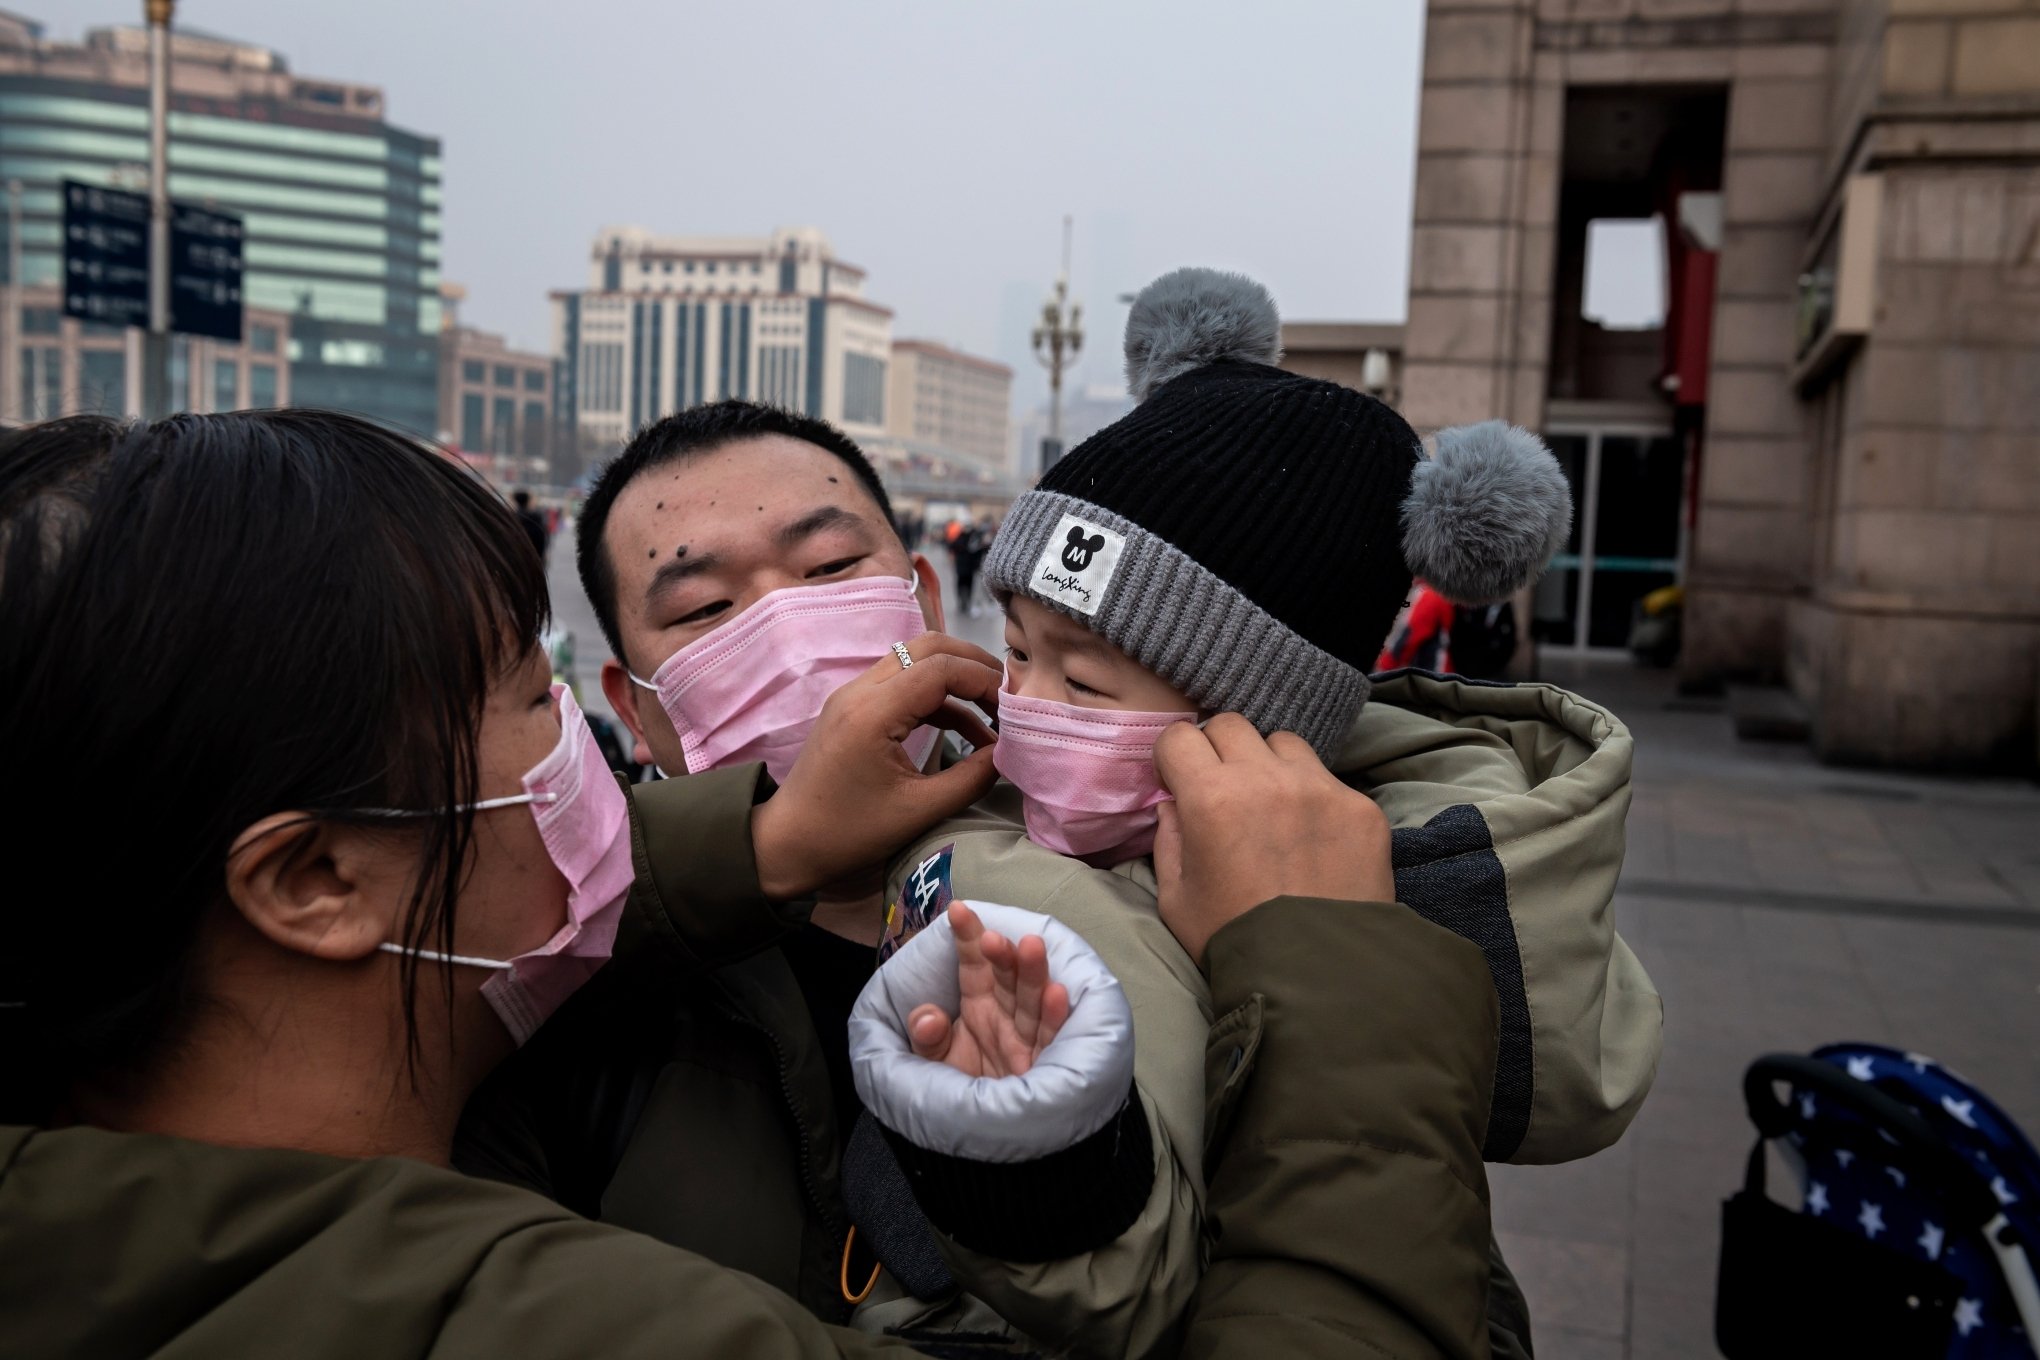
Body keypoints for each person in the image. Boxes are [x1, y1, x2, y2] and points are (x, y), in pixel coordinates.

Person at [0, 409, 1502, 1360]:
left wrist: (766, 845)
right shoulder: (574, 1274)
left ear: (923, 595)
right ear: (314, 877)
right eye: (536, 703)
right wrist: (1335, 998)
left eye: (827, 565)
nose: (787, 634)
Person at [873, 269, 1661, 1354]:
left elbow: (1166, 1272)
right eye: (1015, 653)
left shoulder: (1373, 894)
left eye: (1089, 685)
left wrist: (1037, 1145)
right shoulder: (989, 802)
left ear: (1261, 720)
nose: (1028, 710)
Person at [513, 487, 550, 561]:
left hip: (516, 560)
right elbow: (543, 539)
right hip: (534, 559)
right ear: (528, 501)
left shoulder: (512, 518)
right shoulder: (536, 519)